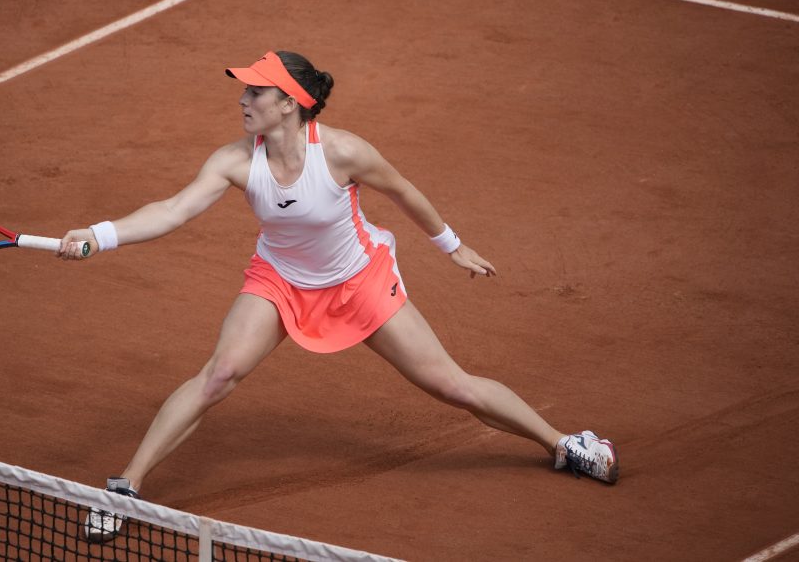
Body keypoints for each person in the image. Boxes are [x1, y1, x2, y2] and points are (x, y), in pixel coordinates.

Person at [59, 50, 618, 541]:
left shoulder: (344, 152)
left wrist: (452, 246)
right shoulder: (234, 160)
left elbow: (403, 190)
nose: (243, 99)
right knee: (219, 374)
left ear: (290, 104)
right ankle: (123, 489)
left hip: (358, 280)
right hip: (279, 281)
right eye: (245, 88)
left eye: (256, 91)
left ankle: (565, 444)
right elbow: (172, 210)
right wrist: (99, 235)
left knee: (451, 384)